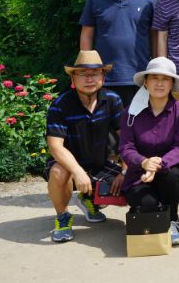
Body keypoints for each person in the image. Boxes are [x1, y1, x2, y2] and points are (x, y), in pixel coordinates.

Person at [44, 50, 123, 243]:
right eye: (83, 74)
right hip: (67, 164)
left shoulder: (113, 100)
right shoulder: (60, 104)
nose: (89, 79)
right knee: (58, 172)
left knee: (131, 185)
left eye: (95, 73)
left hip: (100, 163)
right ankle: (63, 218)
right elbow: (56, 147)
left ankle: (89, 200)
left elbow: (125, 139)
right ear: (73, 77)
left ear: (103, 76)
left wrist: (127, 170)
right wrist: (77, 171)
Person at [119, 57, 179, 246]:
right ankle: (151, 214)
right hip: (138, 174)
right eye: (154, 78)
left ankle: (172, 221)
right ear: (146, 82)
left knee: (172, 177)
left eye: (165, 79)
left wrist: (158, 164)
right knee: (148, 205)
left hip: (169, 171)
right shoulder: (130, 113)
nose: (159, 83)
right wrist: (144, 163)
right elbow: (125, 147)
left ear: (172, 84)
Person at [79, 0, 156, 107]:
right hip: (104, 77)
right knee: (107, 127)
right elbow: (87, 34)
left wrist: (155, 66)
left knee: (138, 124)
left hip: (139, 76)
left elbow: (155, 34)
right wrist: (87, 69)